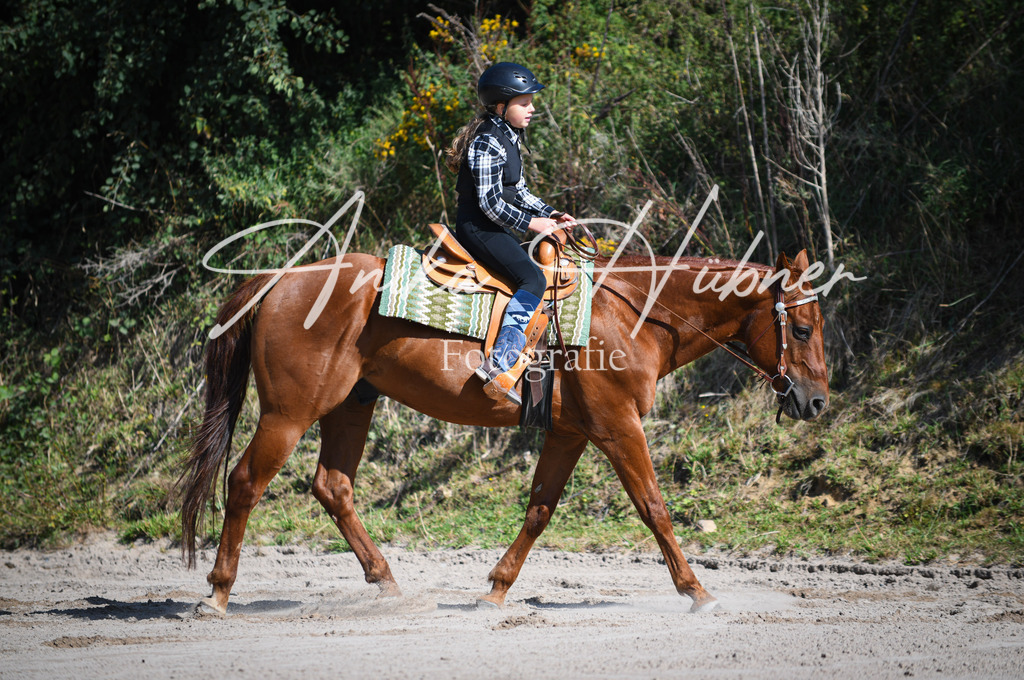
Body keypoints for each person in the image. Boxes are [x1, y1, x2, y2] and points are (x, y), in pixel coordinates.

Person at [445, 61, 576, 405]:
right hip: (478, 227)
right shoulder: (488, 141)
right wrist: (534, 224)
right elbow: (489, 203)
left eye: (531, 102)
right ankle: (499, 363)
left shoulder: (508, 135)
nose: (532, 109)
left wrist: (551, 212)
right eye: (525, 102)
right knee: (533, 279)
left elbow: (517, 190)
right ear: (501, 106)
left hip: (492, 225)